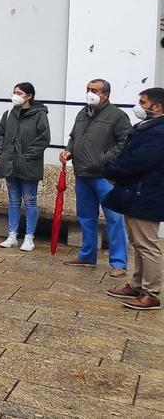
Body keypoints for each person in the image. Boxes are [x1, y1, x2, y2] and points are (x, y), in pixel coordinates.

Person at [61, 78, 131, 275]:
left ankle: (119, 263)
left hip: (105, 177)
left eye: (95, 90)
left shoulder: (117, 115)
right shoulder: (82, 113)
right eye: (88, 89)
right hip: (82, 174)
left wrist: (104, 160)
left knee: (114, 219)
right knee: (85, 217)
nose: (90, 93)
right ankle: (87, 255)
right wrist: (68, 151)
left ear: (106, 94)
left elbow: (125, 142)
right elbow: (74, 138)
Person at [104, 87, 164, 310]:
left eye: (143, 102)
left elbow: (138, 160)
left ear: (157, 107)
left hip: (146, 194)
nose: (139, 106)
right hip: (135, 193)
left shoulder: (159, 132)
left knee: (147, 245)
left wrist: (112, 172)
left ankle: (152, 293)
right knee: (138, 243)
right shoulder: (146, 127)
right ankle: (138, 284)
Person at [0, 82, 51, 251]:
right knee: (13, 201)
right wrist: (1, 152)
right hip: (9, 164)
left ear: (29, 96)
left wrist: (27, 156)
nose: (15, 95)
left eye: (19, 92)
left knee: (30, 201)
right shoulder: (9, 113)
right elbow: (0, 133)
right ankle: (12, 235)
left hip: (29, 165)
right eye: (14, 92)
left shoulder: (39, 115)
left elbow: (43, 138)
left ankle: (29, 237)